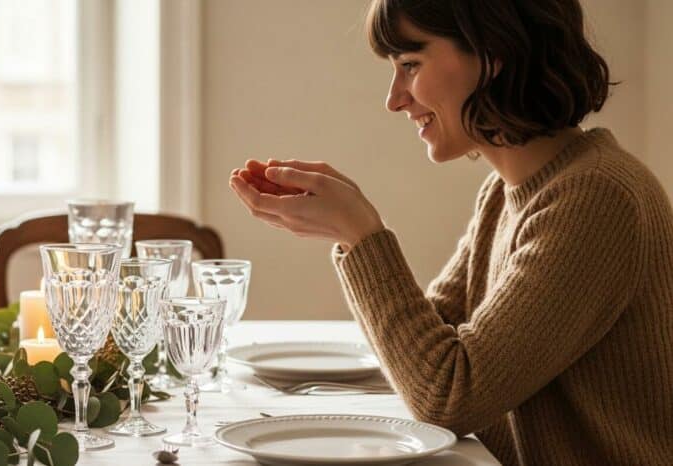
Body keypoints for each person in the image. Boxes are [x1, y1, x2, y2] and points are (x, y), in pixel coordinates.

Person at [228, 1, 673, 465]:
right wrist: (349, 233)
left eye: (410, 65)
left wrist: (360, 236)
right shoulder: (507, 192)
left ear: (493, 53)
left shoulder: (595, 198)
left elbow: (449, 395)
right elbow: (433, 342)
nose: (394, 98)